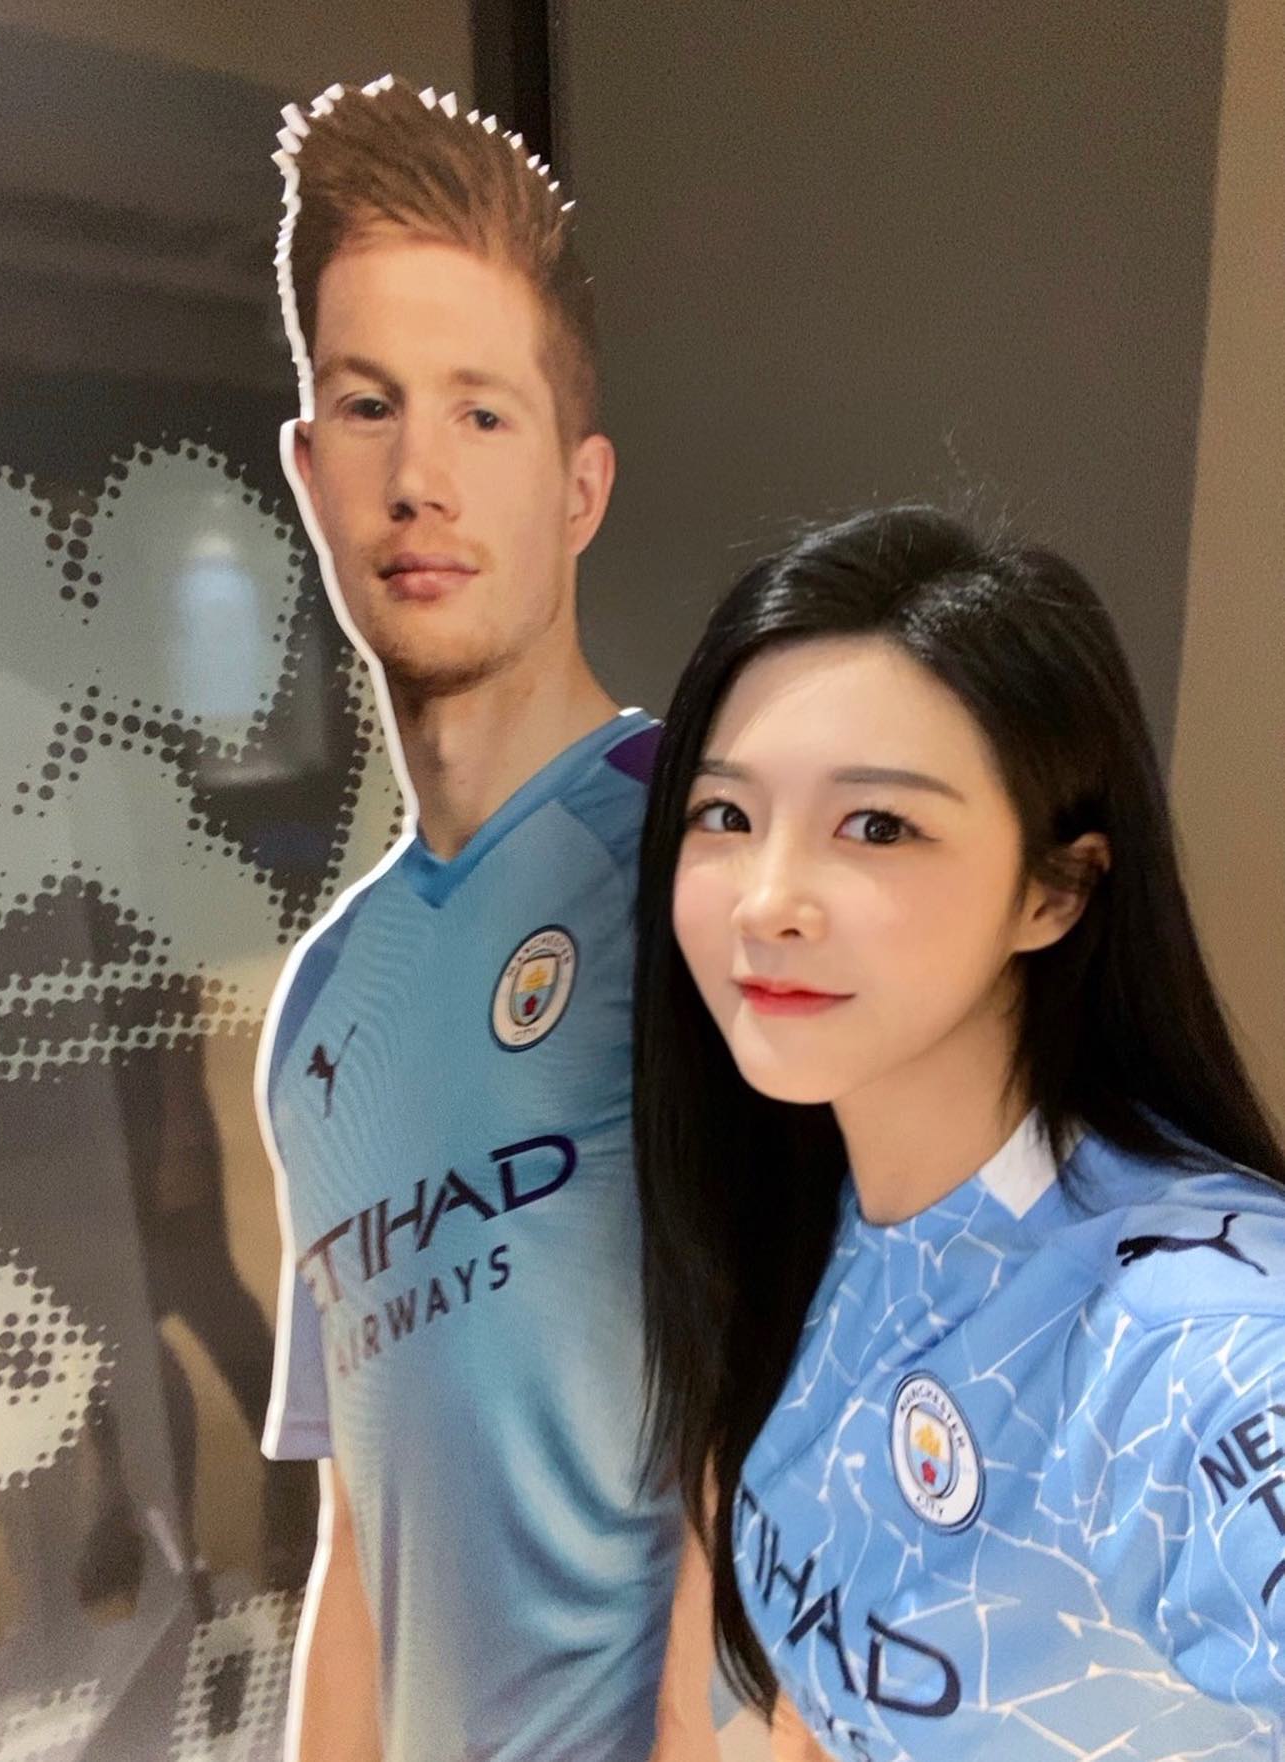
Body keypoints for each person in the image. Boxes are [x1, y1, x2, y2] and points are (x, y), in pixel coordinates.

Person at [632, 504, 1285, 1762]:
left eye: (878, 825)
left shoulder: (1187, 1336)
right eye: (725, 815)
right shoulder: (802, 1216)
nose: (768, 900)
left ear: (1057, 888)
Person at [256, 76, 722, 1762]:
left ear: (580, 486)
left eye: (481, 414)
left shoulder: (706, 871)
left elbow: (784, 1470)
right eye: (368, 407)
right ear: (308, 468)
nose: (418, 478)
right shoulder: (324, 1008)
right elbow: (357, 1547)